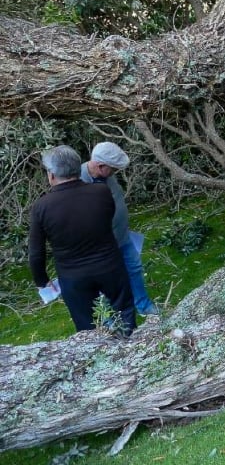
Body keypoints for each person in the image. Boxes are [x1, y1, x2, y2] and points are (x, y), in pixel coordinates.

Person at [29, 145, 136, 335]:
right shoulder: (101, 192)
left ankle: (101, 358)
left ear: (51, 175)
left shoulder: (41, 207)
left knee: (88, 328)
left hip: (74, 277)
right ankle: (134, 351)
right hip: (110, 266)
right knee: (125, 313)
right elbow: (107, 221)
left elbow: (36, 253)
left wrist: (42, 281)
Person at [81, 141, 160, 316]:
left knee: (134, 268)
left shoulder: (106, 176)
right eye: (113, 169)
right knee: (104, 281)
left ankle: (144, 306)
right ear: (100, 166)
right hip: (100, 247)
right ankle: (109, 319)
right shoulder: (78, 181)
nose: (115, 173)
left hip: (122, 237)